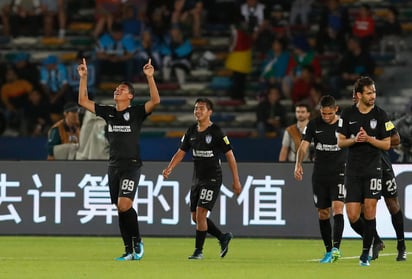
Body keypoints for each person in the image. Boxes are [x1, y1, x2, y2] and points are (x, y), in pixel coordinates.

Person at [77, 57, 160, 261]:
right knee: (120, 209)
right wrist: (84, 77)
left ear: (130, 96)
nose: (117, 91)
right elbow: (83, 101)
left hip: (131, 165)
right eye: (116, 89)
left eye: (122, 89)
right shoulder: (110, 113)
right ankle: (128, 249)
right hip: (113, 166)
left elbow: (155, 101)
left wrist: (150, 77)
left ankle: (138, 241)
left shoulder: (136, 113)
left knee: (124, 205)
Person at [162, 97, 242, 260]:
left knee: (200, 214)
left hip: (212, 178)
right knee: (196, 217)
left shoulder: (216, 132)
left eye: (201, 109)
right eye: (196, 108)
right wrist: (170, 167)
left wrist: (236, 180)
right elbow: (181, 152)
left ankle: (198, 251)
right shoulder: (191, 131)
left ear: (210, 112)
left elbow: (230, 156)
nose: (197, 111)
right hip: (197, 178)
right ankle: (222, 237)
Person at [337, 76, 391, 266]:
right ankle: (375, 239)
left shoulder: (381, 115)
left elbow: (387, 144)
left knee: (369, 211)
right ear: (359, 95)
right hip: (353, 170)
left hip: (373, 168)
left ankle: (365, 254)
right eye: (369, 93)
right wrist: (355, 140)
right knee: (352, 216)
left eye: (374, 92)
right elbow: (340, 141)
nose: (373, 96)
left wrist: (369, 139)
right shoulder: (348, 114)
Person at [294, 95, 346, 263]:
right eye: (323, 113)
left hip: (340, 173)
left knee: (338, 208)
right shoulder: (314, 124)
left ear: (336, 109)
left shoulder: (345, 125)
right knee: (323, 213)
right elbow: (303, 146)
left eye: (329, 113)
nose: (326, 117)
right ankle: (328, 251)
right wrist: (298, 164)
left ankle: (337, 248)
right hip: (320, 175)